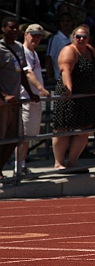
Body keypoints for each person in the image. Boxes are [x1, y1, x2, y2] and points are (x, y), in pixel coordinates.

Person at [53, 25, 95, 170]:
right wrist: (69, 89)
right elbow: (65, 70)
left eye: (84, 36)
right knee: (63, 129)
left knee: (84, 131)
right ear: (72, 38)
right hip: (70, 96)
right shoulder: (69, 50)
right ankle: (59, 163)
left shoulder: (90, 50)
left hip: (88, 97)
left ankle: (72, 162)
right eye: (78, 36)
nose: (81, 39)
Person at [1, 17, 40, 179]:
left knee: (13, 138)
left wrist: (31, 94)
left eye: (16, 28)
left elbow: (22, 73)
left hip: (16, 100)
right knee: (1, 137)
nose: (14, 31)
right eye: (11, 28)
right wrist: (4, 95)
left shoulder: (18, 48)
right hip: (3, 102)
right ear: (3, 29)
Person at [17, 24, 51, 175]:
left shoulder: (34, 53)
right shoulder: (22, 51)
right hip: (25, 98)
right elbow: (28, 73)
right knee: (22, 136)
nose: (36, 39)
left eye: (39, 36)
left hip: (34, 100)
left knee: (28, 136)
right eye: (33, 35)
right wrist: (41, 88)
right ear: (25, 34)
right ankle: (19, 166)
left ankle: (22, 165)